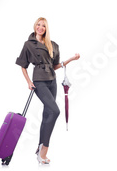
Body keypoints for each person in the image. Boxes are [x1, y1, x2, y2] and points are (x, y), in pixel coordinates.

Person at [16, 17, 80, 165]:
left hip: (52, 81)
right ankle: (44, 149)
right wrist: (29, 82)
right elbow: (23, 65)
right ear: (35, 26)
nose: (40, 27)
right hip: (39, 81)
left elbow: (55, 65)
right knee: (55, 111)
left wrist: (71, 59)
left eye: (43, 26)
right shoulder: (28, 45)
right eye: (38, 25)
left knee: (47, 115)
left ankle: (39, 149)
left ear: (46, 28)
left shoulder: (53, 45)